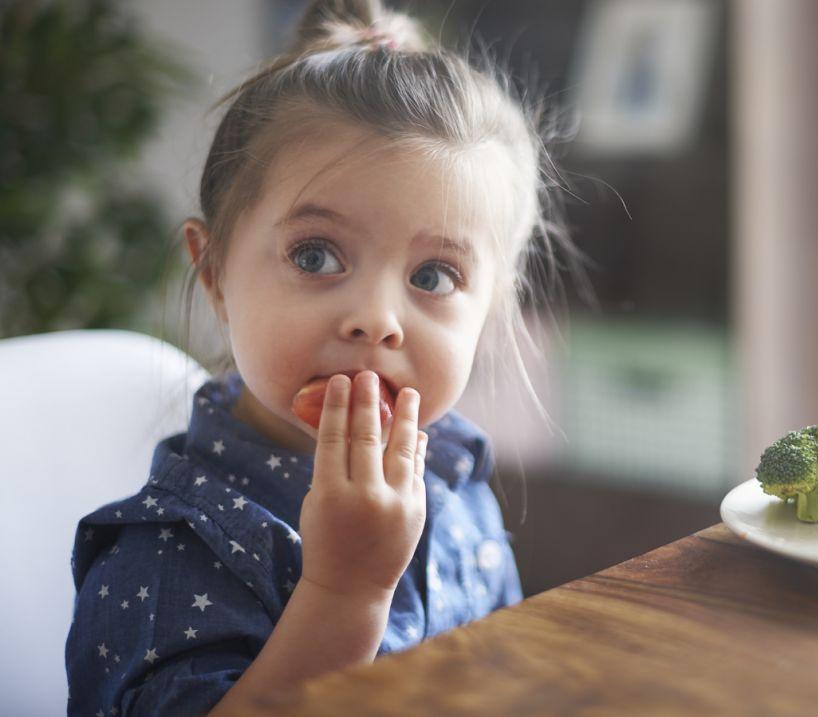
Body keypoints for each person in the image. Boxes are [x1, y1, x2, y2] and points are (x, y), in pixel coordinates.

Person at [65, 0, 579, 713]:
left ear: (490, 311)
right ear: (214, 274)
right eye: (316, 255)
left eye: (433, 276)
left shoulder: (457, 482)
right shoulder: (166, 555)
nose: (376, 320)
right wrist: (346, 590)